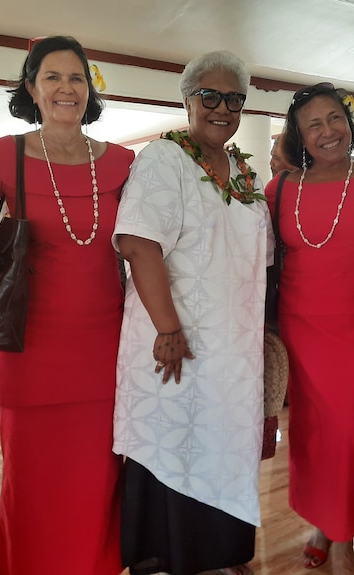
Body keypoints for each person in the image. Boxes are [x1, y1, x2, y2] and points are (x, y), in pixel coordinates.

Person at [0, 36, 134, 575]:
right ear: (32, 88)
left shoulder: (124, 164)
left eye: (77, 78)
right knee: (31, 491)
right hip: (27, 351)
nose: (67, 88)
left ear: (90, 90)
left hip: (103, 353)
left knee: (96, 487)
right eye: (53, 77)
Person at [113, 50, 270, 575]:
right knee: (174, 444)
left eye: (234, 99)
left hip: (232, 353)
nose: (222, 108)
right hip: (174, 341)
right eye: (210, 96)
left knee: (222, 448)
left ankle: (218, 555)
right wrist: (169, 330)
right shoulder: (164, 159)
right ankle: (167, 558)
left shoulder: (245, 173)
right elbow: (139, 244)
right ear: (188, 100)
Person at [264, 82, 354, 575]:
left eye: (334, 119)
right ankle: (322, 523)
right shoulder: (280, 189)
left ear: (350, 121)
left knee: (344, 431)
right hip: (298, 326)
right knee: (311, 432)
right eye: (313, 125)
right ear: (299, 135)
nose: (327, 131)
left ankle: (341, 536)